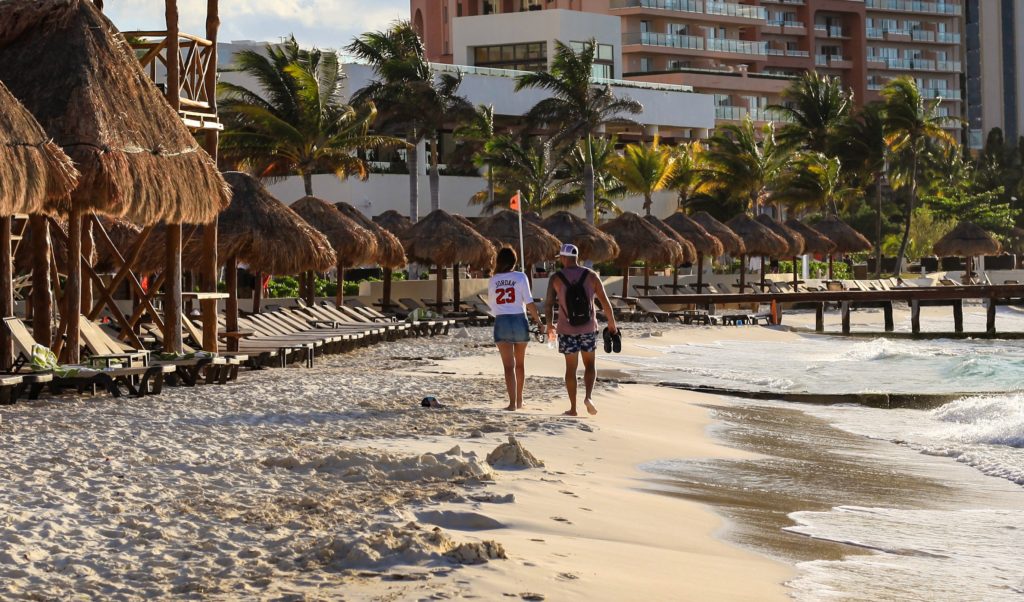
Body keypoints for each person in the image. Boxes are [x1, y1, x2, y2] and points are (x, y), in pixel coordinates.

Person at [544, 244, 618, 417]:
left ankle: (573, 408)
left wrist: (549, 325)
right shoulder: (591, 276)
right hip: (588, 328)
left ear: (563, 258)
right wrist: (612, 323)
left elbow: (548, 305)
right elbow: (605, 301)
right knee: (590, 365)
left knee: (571, 369)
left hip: (566, 329)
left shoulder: (556, 277)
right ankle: (589, 397)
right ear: (576, 258)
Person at [487, 247, 542, 411]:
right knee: (520, 364)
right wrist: (538, 320)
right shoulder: (520, 276)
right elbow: (529, 302)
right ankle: (519, 401)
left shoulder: (494, 279)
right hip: (519, 319)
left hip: (502, 321)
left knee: (508, 366)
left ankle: (512, 404)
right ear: (514, 261)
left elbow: (491, 303)